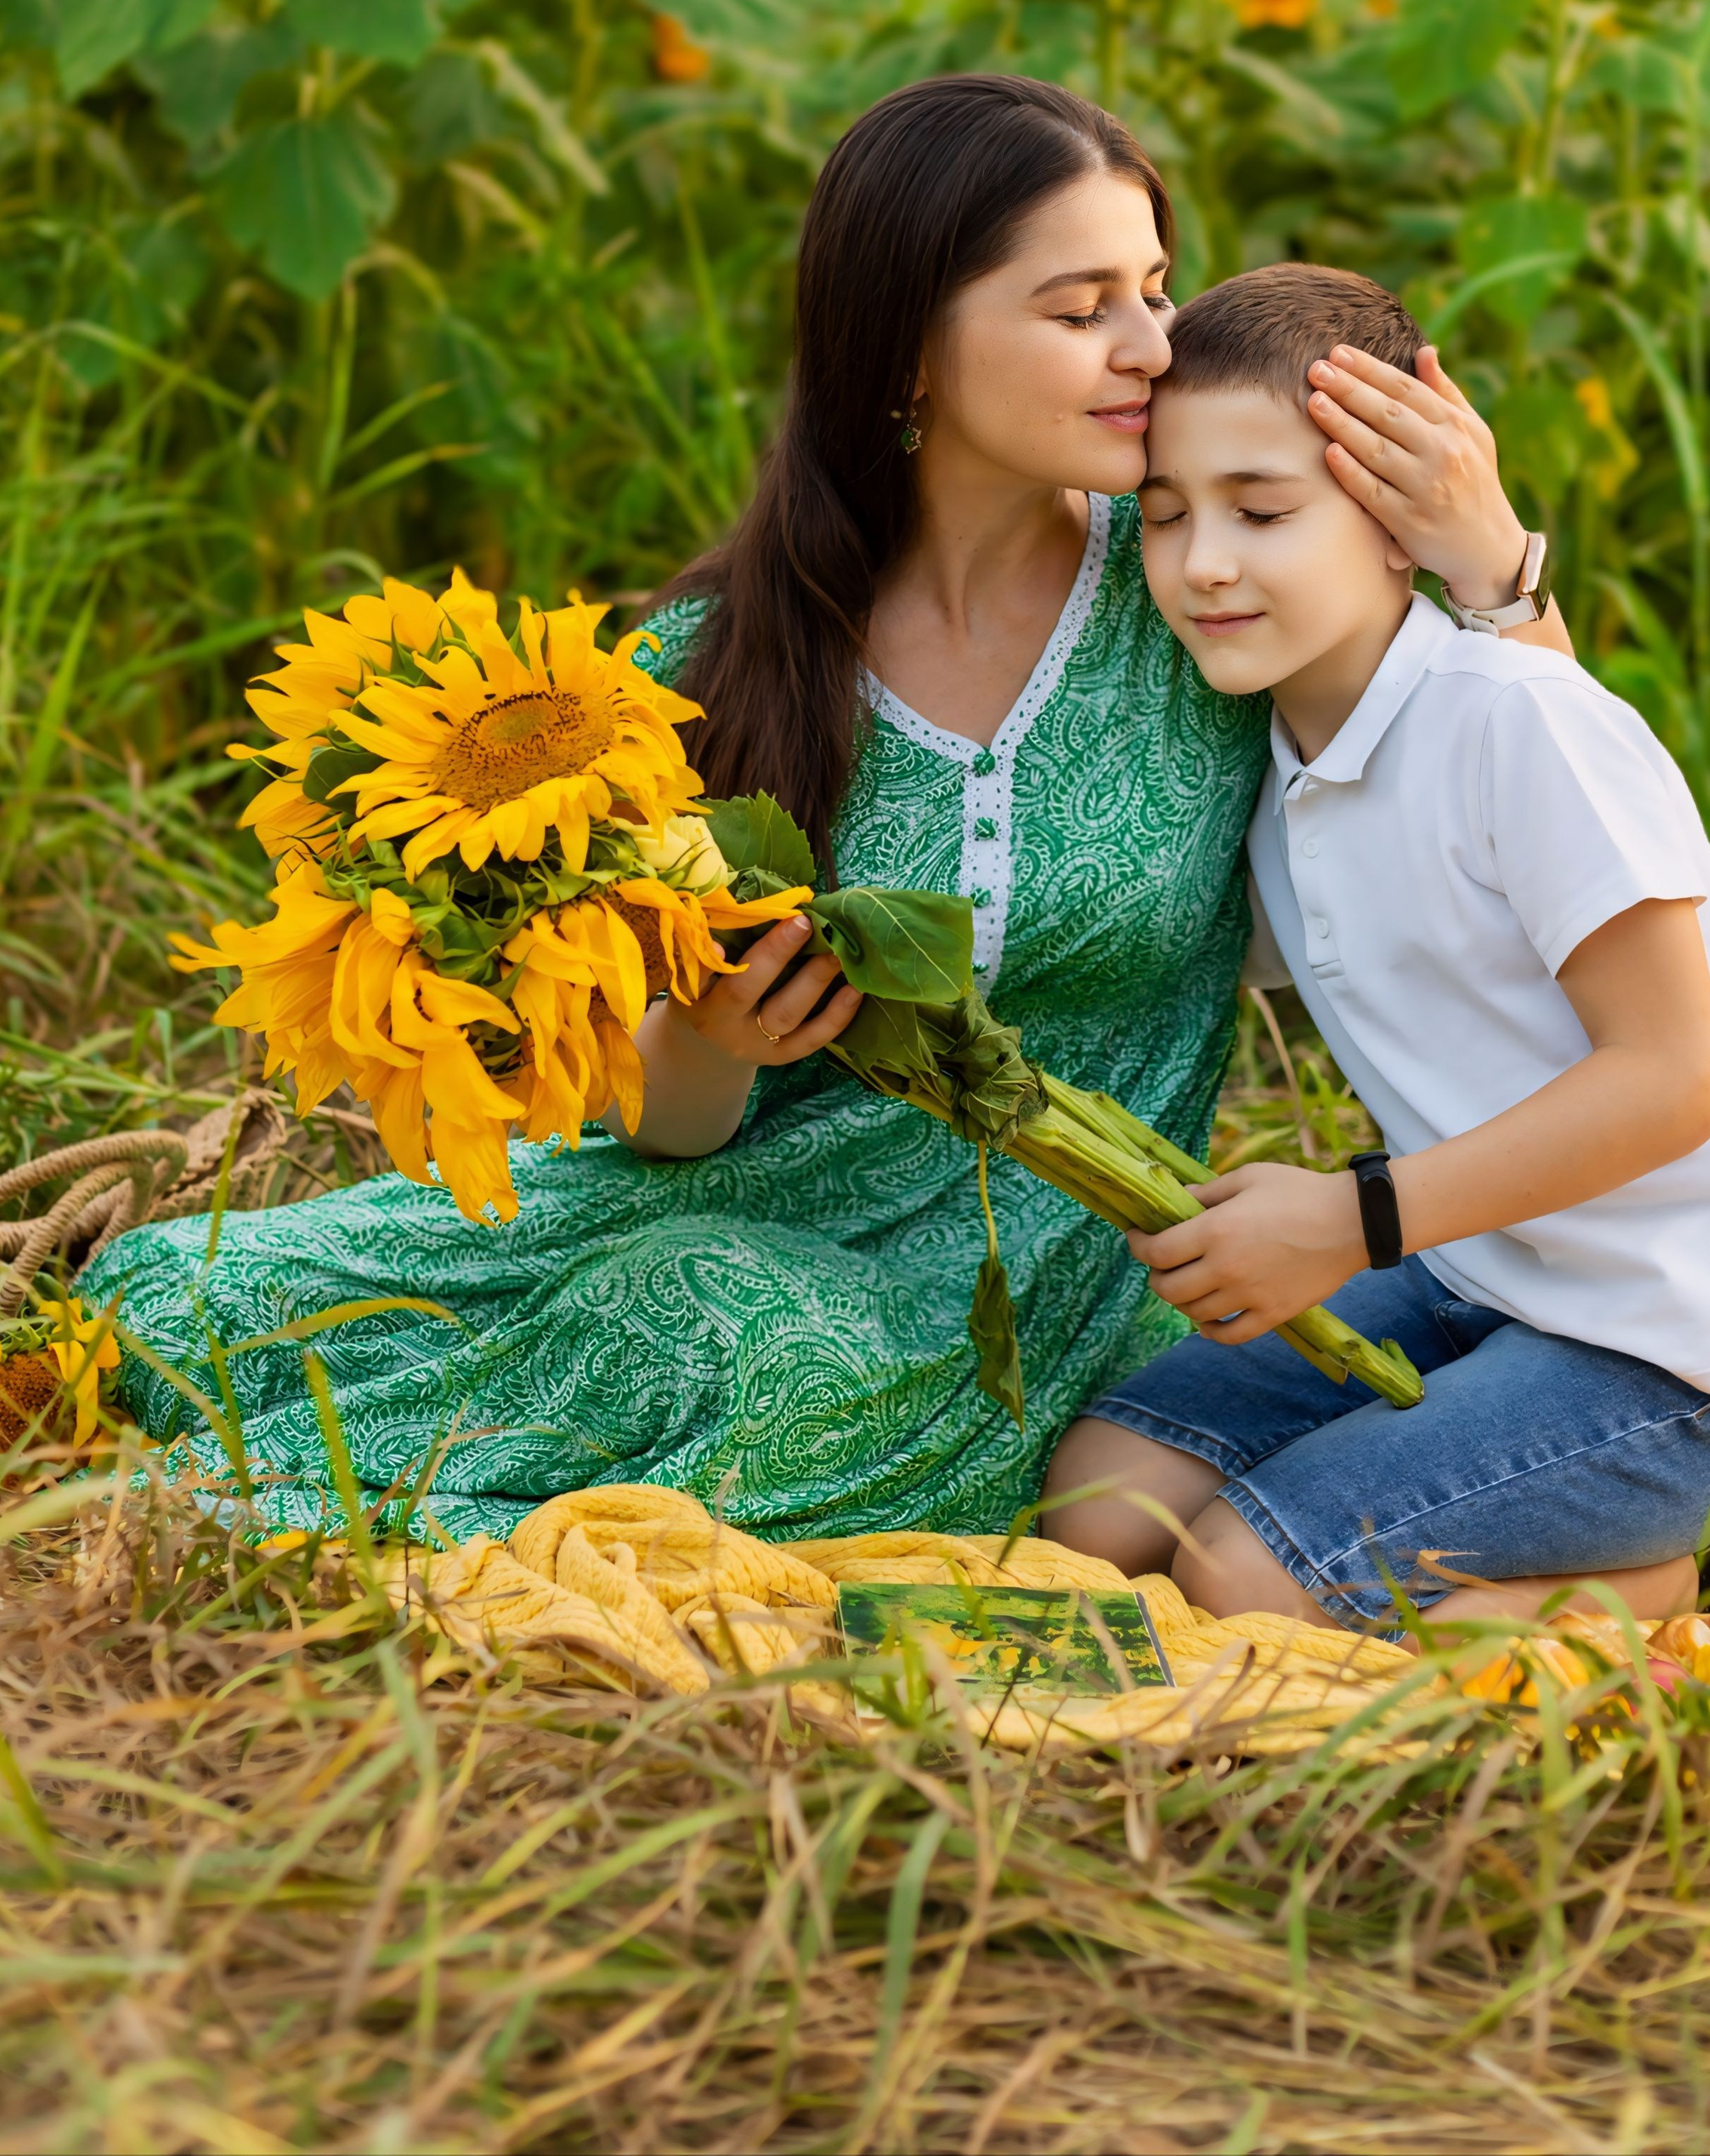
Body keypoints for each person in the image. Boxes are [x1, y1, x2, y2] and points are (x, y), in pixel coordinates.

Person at [95, 78, 1555, 1544]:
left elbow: (1515, 816)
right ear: (908, 343)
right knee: (166, 1308)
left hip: (1050, 1287)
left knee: (765, 1357)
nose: (1150, 348)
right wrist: (714, 1041)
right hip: (722, 1216)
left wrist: (1493, 569)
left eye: (1155, 291)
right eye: (1079, 307)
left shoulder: (1195, 584)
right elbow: (666, 1128)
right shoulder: (701, 670)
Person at [1045, 263, 1710, 1631]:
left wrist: (1349, 1216)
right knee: (1098, 1504)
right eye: (1168, 514)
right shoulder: (1263, 757)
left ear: (1394, 518)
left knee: (1250, 1587)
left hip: (1691, 1345)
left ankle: (1694, 1568)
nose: (1203, 562)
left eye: (1263, 510)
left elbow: (1676, 1080)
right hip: (1481, 1272)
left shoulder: (1518, 724)